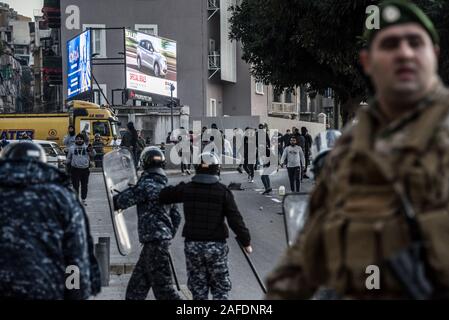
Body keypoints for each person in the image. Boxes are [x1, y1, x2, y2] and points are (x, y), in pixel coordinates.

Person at [266, 0, 449, 299]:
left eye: (415, 42)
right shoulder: (348, 147)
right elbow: (307, 251)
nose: (404, 53)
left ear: (435, 54)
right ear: (367, 61)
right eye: (389, 45)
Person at [0, 142, 100, 299]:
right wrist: (78, 292)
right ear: (43, 162)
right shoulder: (62, 197)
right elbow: (76, 252)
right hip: (47, 288)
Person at [159, 152, 252, 300]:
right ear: (216, 169)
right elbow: (235, 219)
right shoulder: (223, 191)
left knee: (198, 289)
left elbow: (164, 195)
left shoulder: (187, 189)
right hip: (216, 246)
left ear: (196, 168)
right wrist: (246, 241)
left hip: (193, 246)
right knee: (220, 289)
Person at [113, 147, 182, 300]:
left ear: (144, 164)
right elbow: (176, 217)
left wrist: (115, 198)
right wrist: (166, 236)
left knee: (165, 293)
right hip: (156, 244)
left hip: (154, 244)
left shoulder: (146, 184)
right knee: (135, 291)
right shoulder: (166, 186)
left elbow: (123, 201)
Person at [67, 134, 96, 205]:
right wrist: (65, 162)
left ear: (83, 140)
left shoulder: (87, 147)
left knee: (84, 185)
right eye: (77, 139)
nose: (79, 140)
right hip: (75, 169)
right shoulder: (72, 148)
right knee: (75, 185)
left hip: (85, 169)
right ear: (75, 140)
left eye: (81, 139)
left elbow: (93, 155)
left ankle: (83, 200)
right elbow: (69, 158)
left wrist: (91, 150)